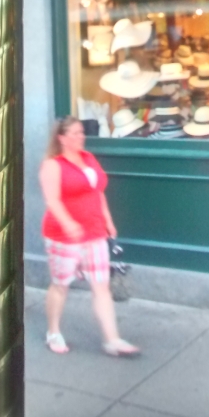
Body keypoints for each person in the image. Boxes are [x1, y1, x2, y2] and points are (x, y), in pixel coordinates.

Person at [39, 115, 140, 357]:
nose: (80, 137)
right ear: (61, 138)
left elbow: (98, 191)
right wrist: (68, 223)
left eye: (81, 132)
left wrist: (108, 220)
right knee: (61, 285)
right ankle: (53, 331)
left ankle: (112, 340)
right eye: (74, 133)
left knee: (101, 286)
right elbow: (52, 200)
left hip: (94, 232)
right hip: (63, 236)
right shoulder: (53, 165)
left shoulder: (88, 158)